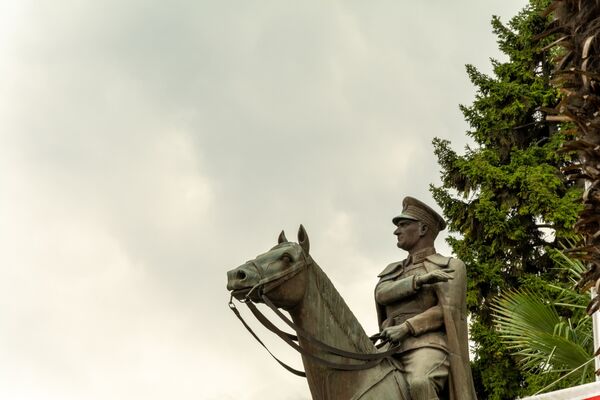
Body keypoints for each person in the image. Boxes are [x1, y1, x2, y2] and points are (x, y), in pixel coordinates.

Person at [375, 196, 477, 400]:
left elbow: (447, 311)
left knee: (420, 383)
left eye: (403, 225)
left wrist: (406, 327)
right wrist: (419, 281)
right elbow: (382, 294)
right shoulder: (392, 271)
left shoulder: (450, 266)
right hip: (389, 347)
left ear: (422, 229)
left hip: (427, 345)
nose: (396, 231)